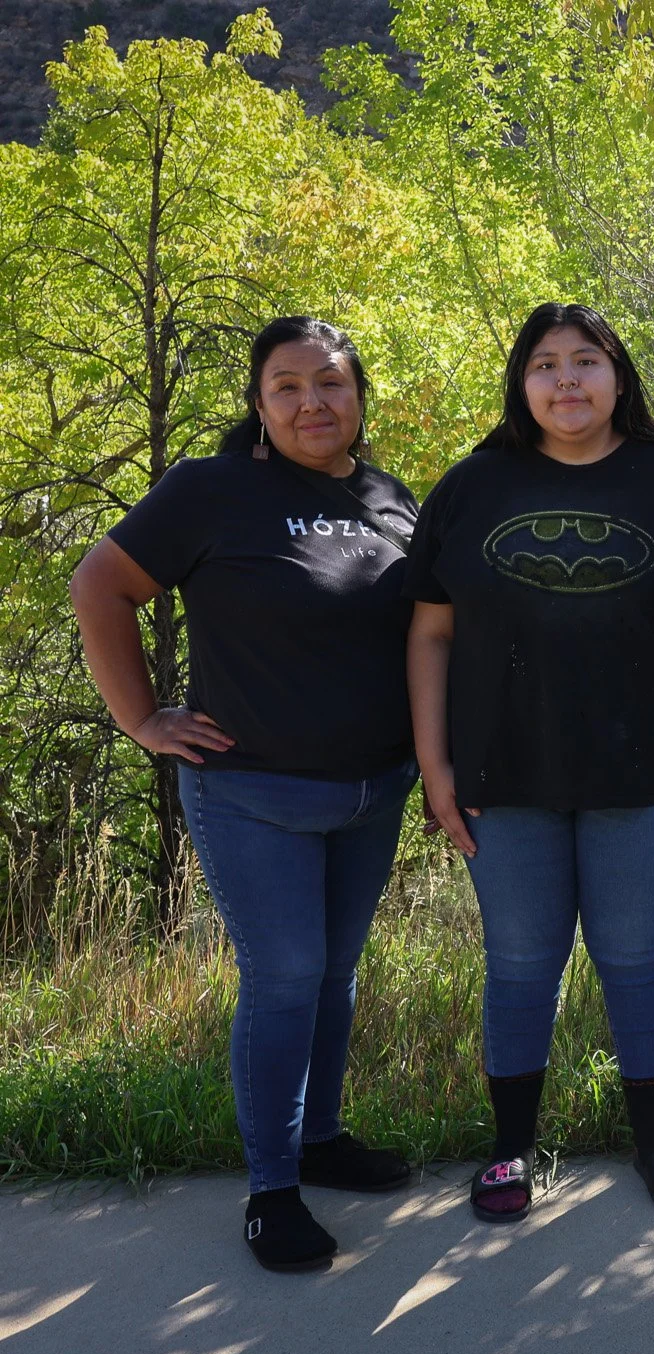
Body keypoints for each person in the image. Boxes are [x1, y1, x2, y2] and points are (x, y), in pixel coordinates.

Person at [70, 316, 419, 1271]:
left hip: (373, 791)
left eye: (331, 383)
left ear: (359, 396)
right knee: (286, 973)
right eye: (287, 387)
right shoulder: (211, 489)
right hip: (253, 792)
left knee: (335, 973)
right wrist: (143, 719)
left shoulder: (391, 500)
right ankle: (272, 1189)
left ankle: (321, 1138)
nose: (313, 402)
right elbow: (99, 585)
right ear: (259, 405)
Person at [405, 302, 654, 1223]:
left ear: (618, 374)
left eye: (586, 360)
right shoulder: (472, 486)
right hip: (500, 774)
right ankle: (510, 1149)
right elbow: (430, 632)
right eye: (545, 364)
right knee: (521, 962)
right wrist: (434, 765)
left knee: (635, 956)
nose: (567, 379)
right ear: (521, 383)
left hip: (647, 776)